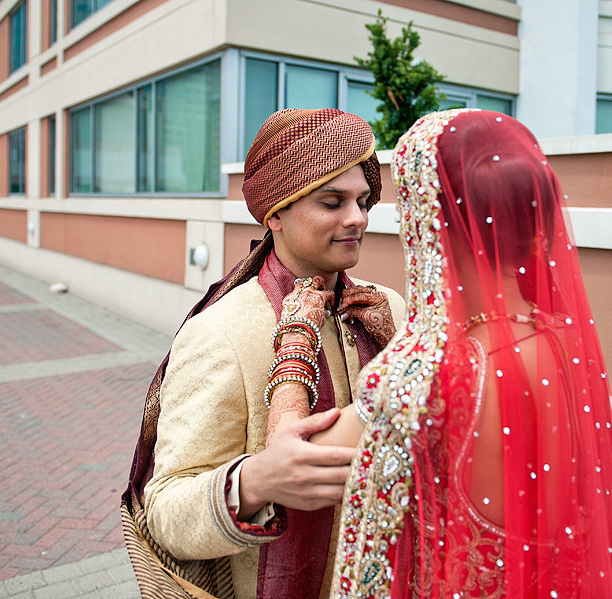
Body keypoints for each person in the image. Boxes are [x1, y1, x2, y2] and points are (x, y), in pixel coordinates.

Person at [265, 108, 612, 598]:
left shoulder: (431, 372)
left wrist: (295, 335)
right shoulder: (563, 339)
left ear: (431, 227)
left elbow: (291, 459)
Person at [123, 108, 405, 599]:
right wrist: (256, 482)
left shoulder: (389, 308)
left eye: (362, 200)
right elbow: (164, 510)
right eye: (332, 202)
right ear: (275, 212)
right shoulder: (221, 332)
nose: (357, 218)